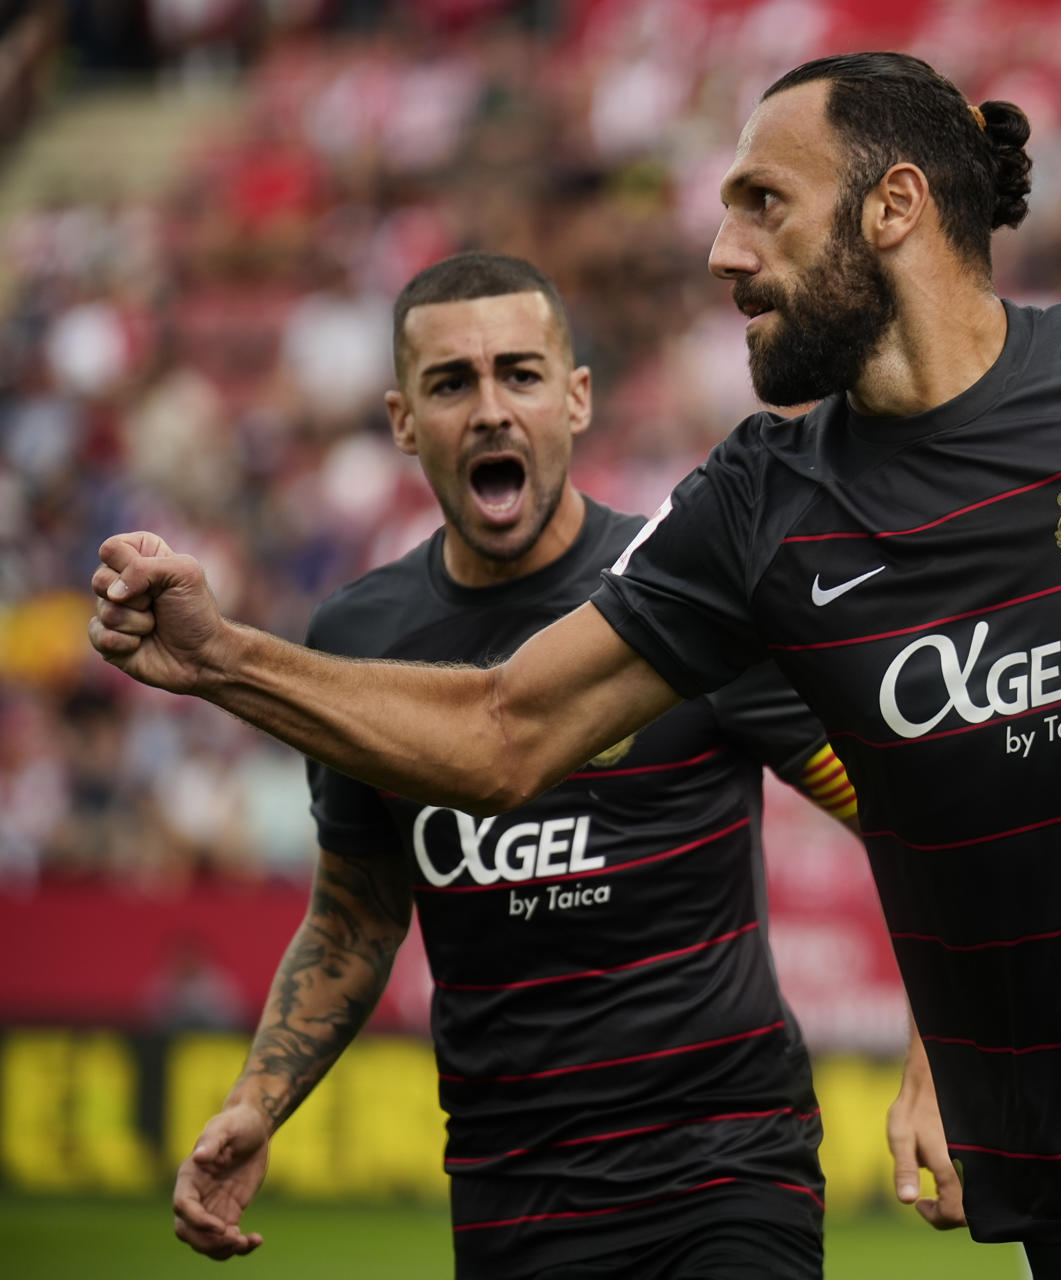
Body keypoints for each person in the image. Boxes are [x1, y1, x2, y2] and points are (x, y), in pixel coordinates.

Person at [95, 54, 1061, 1280]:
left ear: (895, 209)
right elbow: (506, 733)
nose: (721, 253)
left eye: (760, 204)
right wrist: (227, 657)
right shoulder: (756, 513)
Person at [166, 253, 856, 1280]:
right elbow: (357, 913)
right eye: (453, 383)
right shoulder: (359, 639)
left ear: (575, 398)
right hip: (510, 1187)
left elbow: (902, 810)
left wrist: (947, 1052)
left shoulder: (688, 594)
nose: (490, 409)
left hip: (725, 1163)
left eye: (520, 374)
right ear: (403, 420)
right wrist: (258, 1099)